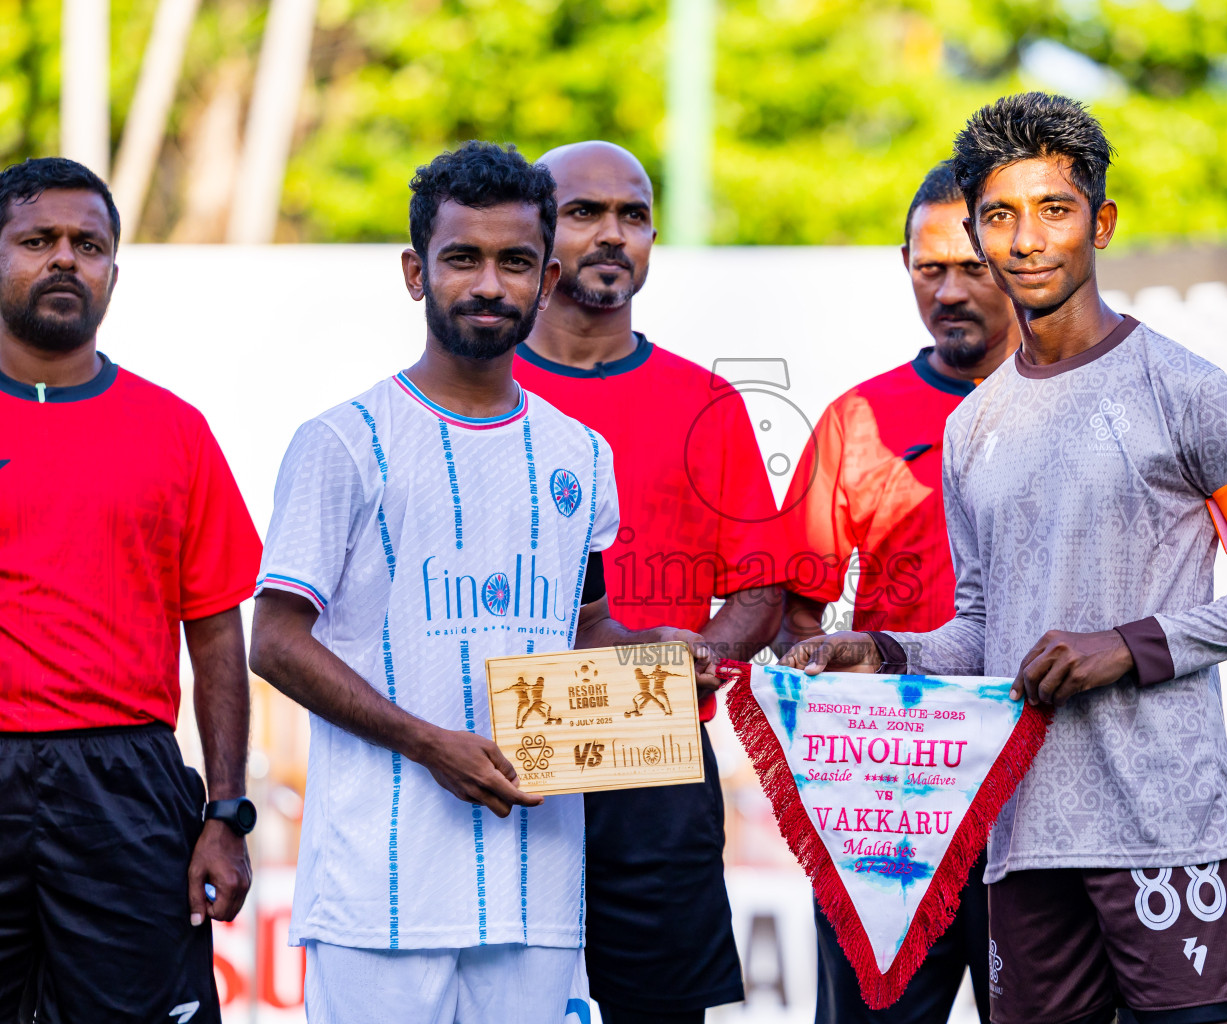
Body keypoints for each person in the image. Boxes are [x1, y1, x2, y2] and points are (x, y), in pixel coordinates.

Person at [783, 93, 1227, 1024]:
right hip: (1021, 841)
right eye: (1001, 215)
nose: (1028, 239)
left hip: (1163, 830)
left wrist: (1130, 644)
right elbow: (984, 632)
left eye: (1055, 210)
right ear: (977, 230)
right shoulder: (973, 428)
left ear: (1102, 223)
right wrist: (885, 654)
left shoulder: (1189, 393)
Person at [247, 141, 717, 1024]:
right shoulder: (343, 441)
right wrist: (430, 742)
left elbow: (587, 633)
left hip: (536, 891)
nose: (490, 285)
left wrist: (654, 659)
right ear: (414, 272)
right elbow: (272, 641)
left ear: (546, 280)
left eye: (515, 262)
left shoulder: (581, 453)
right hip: (377, 893)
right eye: (463, 258)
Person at [513, 140, 787, 1024]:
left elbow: (759, 588)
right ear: (538, 229)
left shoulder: (707, 403)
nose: (610, 234)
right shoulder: (479, 387)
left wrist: (691, 661)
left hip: (653, 747)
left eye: (632, 215)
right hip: (501, 749)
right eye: (584, 212)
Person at [0, 158, 262, 1022]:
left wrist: (225, 813)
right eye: (38, 240)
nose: (65, 260)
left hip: (126, 782)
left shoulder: (174, 432)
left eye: (90, 244)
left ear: (115, 268)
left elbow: (218, 633)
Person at [775, 159, 1019, 1024]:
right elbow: (794, 608)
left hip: (1039, 800)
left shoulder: (1080, 410)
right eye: (929, 269)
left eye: (973, 266)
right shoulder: (857, 420)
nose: (950, 291)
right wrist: (841, 715)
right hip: (890, 811)